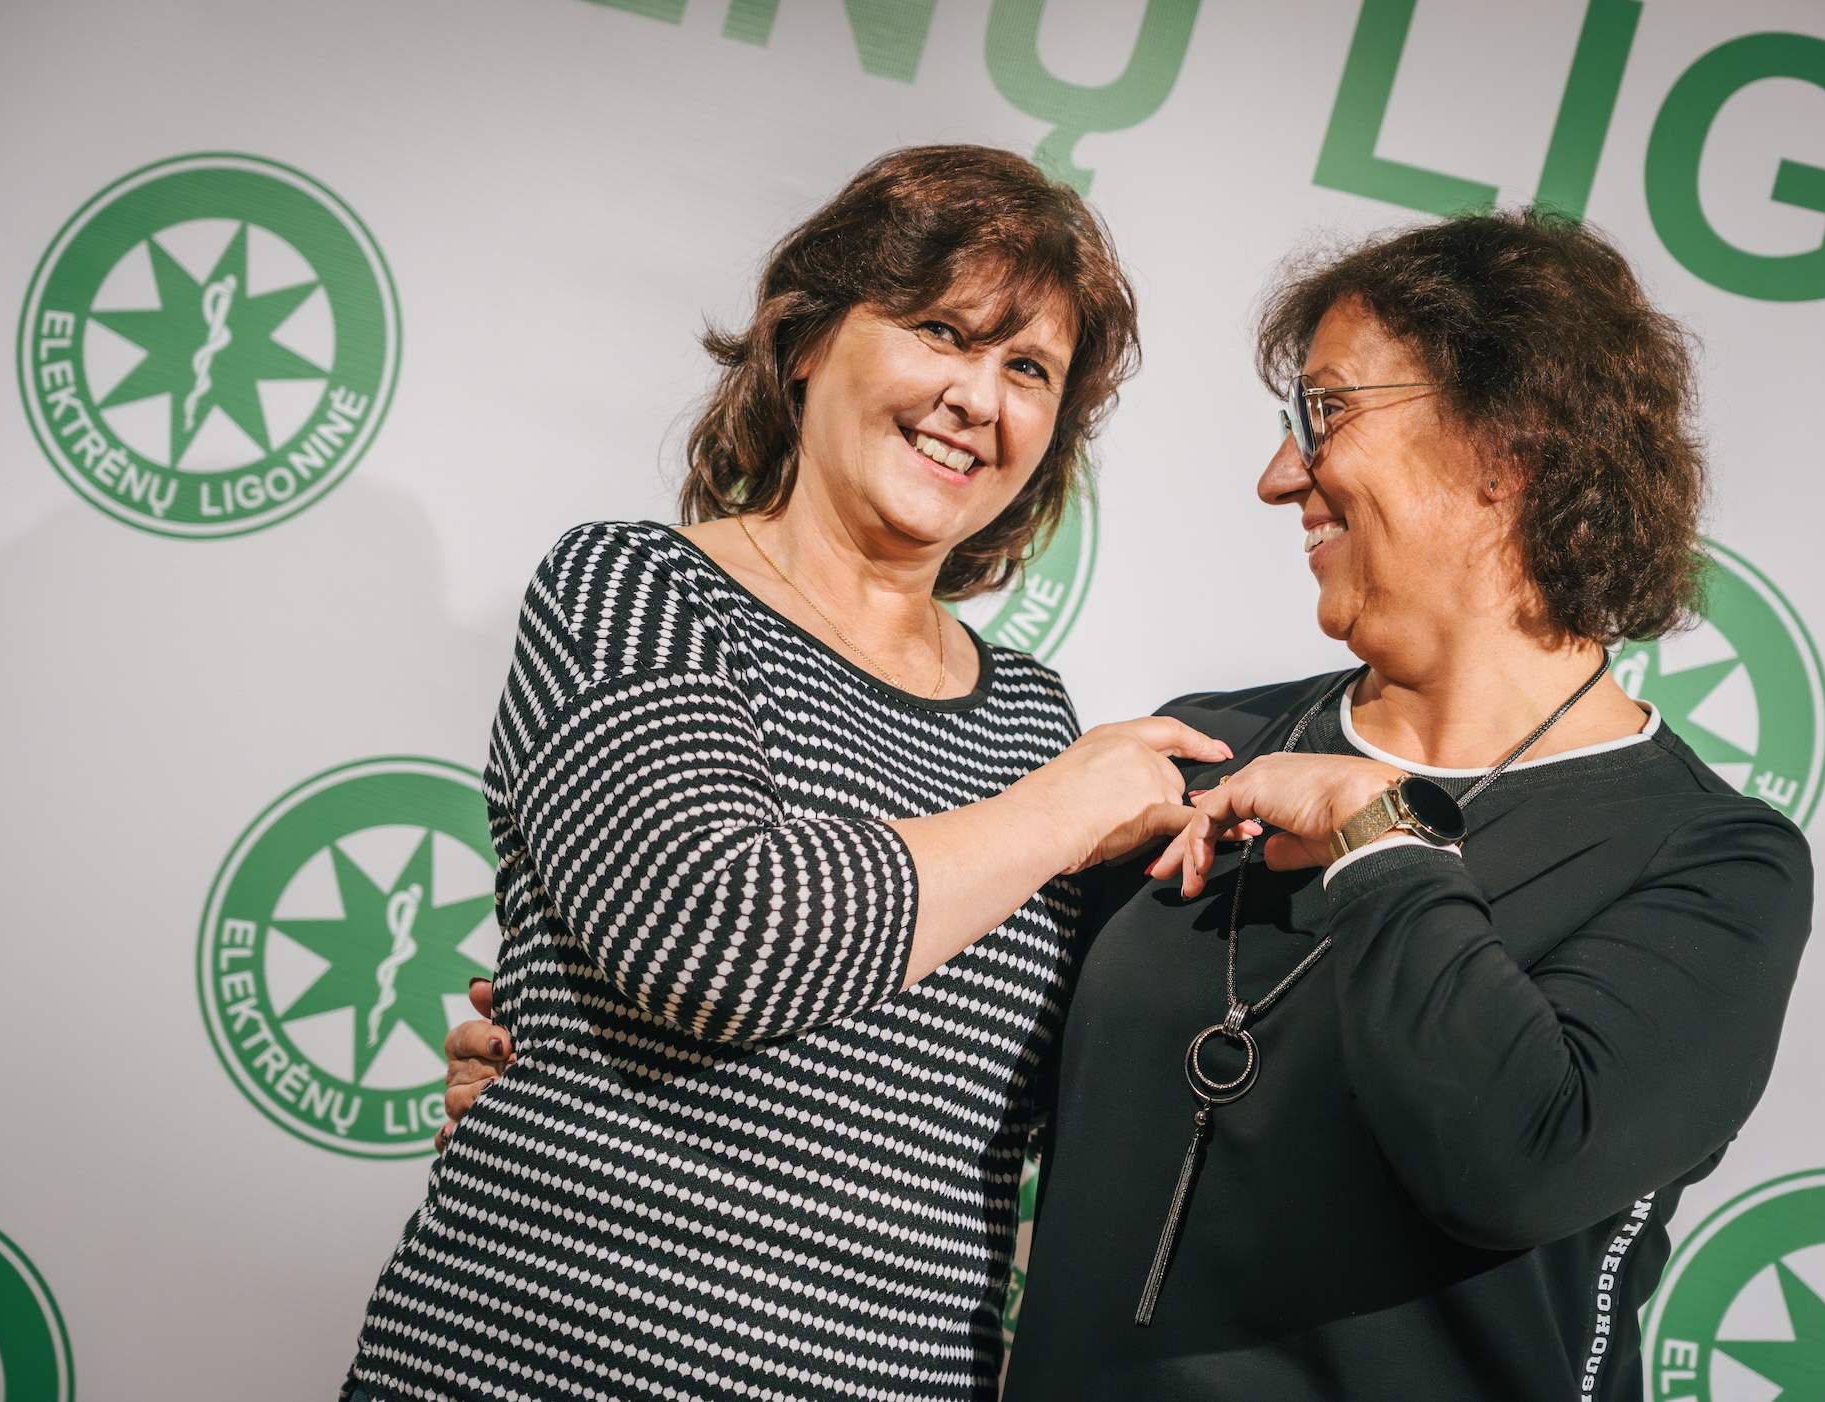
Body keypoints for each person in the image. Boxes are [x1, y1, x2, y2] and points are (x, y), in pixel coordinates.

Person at [445, 209, 1813, 1400]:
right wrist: (582, 1074)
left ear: (1509, 443)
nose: (1278, 475)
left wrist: (1375, 834)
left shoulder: (1706, 860)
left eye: (1325, 414)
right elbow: (960, 1061)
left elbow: (1515, 1160)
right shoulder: (1198, 752)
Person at [339, 145, 1229, 1402]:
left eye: (1027, 369)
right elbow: (714, 935)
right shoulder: (638, 590)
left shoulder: (1034, 719)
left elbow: (1060, 1099)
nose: (976, 398)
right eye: (940, 331)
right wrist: (1059, 811)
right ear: (804, 340)